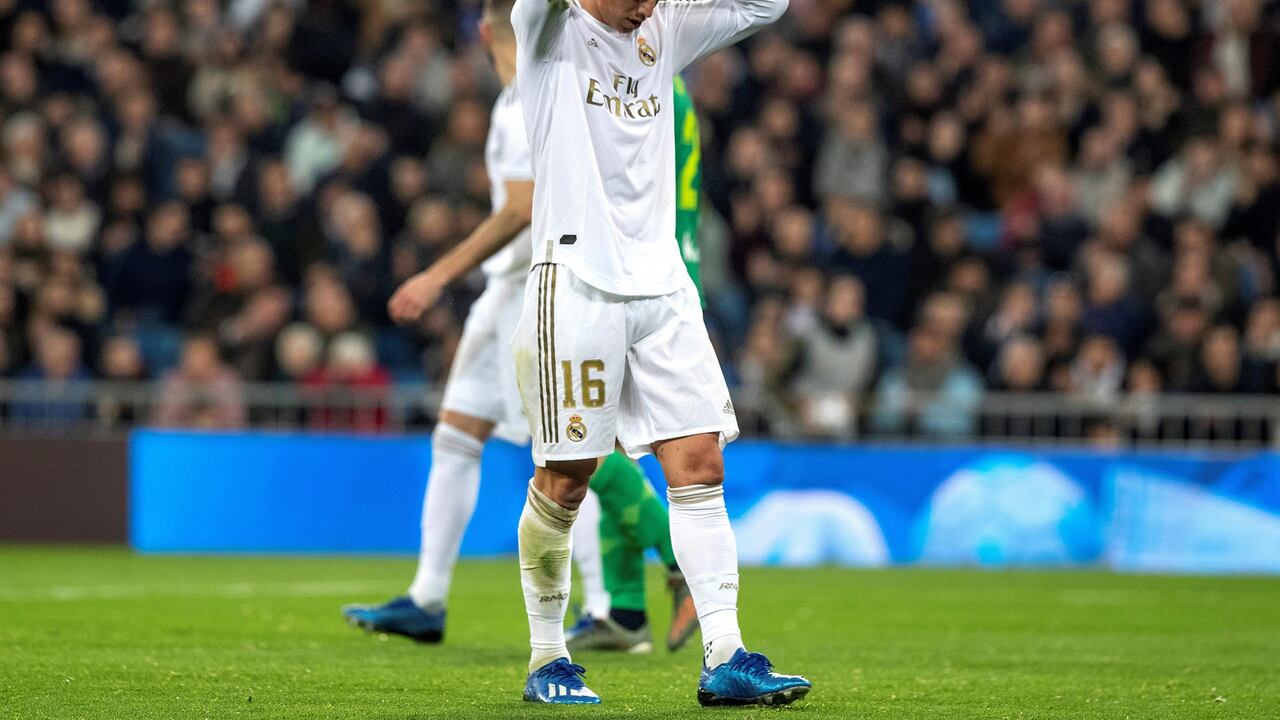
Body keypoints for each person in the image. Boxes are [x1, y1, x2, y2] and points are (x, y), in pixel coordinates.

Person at [340, 0, 697, 654]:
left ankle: (662, 567)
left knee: (570, 452)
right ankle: (428, 596)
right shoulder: (545, 85)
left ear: (485, 31)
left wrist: (435, 275)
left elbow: (522, 207)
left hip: (541, 285)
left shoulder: (534, 89)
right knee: (460, 433)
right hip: (520, 284)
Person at [509, 0, 808, 707]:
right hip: (577, 283)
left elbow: (767, 6)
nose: (646, 7)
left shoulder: (663, 28)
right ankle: (548, 657)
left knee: (701, 464)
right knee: (566, 479)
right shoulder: (549, 30)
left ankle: (725, 655)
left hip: (664, 287)